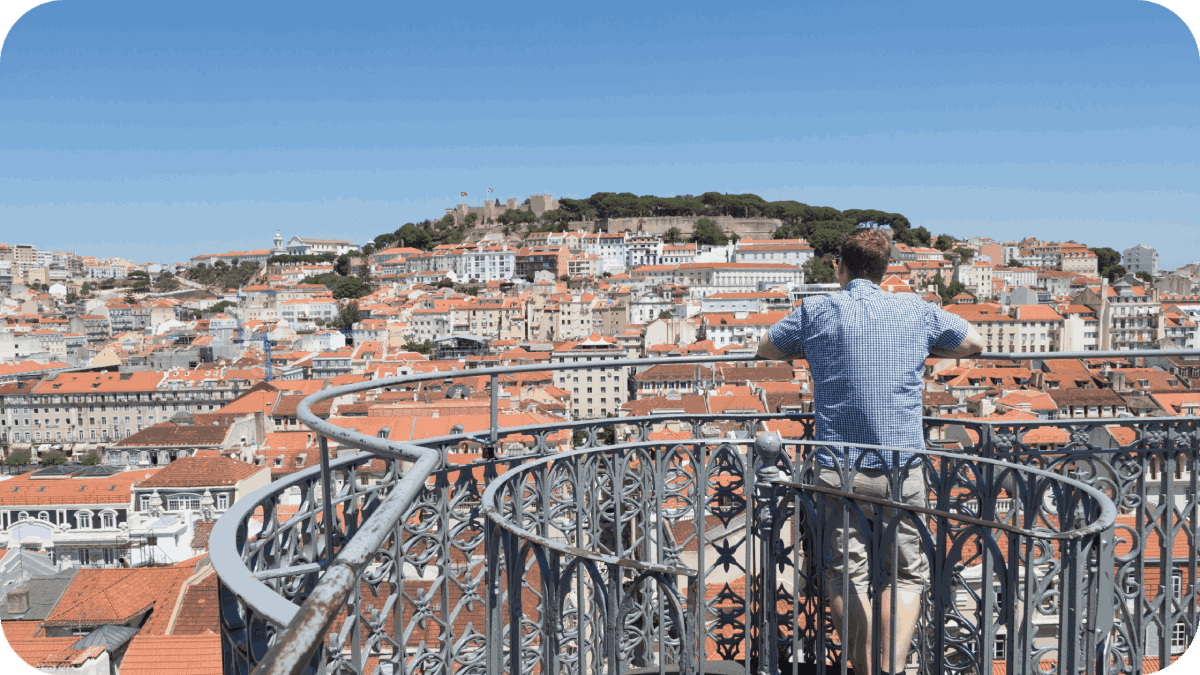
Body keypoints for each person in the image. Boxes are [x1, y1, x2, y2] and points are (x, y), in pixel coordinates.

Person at [757, 228, 984, 675]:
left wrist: (813, 347)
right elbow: (974, 343)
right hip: (903, 466)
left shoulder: (817, 309)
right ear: (886, 270)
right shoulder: (915, 309)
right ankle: (892, 669)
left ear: (838, 265)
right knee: (904, 576)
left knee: (845, 574)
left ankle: (861, 669)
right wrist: (923, 348)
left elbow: (765, 347)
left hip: (839, 467)